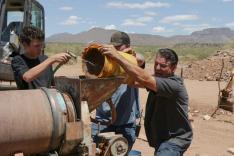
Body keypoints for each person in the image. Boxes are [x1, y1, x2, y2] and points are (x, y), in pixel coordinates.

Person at [100, 46, 193, 156]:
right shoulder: (159, 79)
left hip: (174, 140)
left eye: (163, 66)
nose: (157, 68)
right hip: (163, 140)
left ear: (173, 68)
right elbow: (133, 82)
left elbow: (145, 79)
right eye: (155, 64)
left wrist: (118, 56)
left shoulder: (173, 84)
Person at [92, 31, 145, 151]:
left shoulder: (131, 61)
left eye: (118, 47)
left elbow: (141, 60)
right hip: (102, 123)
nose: (114, 50)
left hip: (126, 125)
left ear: (128, 46)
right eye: (113, 47)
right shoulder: (105, 60)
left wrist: (122, 55)